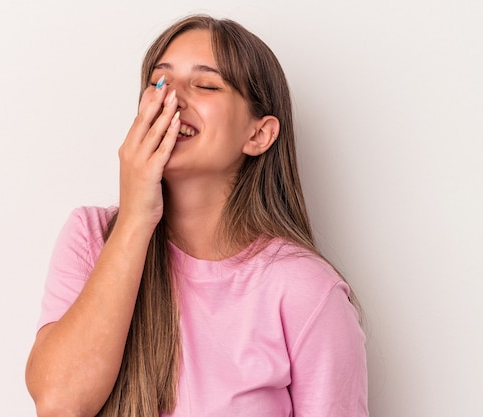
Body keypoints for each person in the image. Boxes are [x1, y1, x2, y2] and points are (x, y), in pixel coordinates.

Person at [25, 14, 368, 417]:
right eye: (159, 82)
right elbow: (60, 404)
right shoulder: (90, 237)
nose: (172, 98)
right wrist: (136, 216)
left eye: (205, 84)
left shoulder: (305, 290)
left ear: (259, 135)